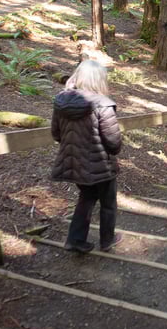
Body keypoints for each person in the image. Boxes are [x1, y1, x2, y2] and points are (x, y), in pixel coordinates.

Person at [51, 59, 122, 253]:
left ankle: (75, 239)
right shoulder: (103, 104)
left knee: (87, 197)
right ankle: (107, 240)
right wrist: (114, 150)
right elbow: (113, 141)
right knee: (108, 202)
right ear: (99, 79)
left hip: (74, 162)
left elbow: (56, 134)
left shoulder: (61, 102)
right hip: (100, 164)